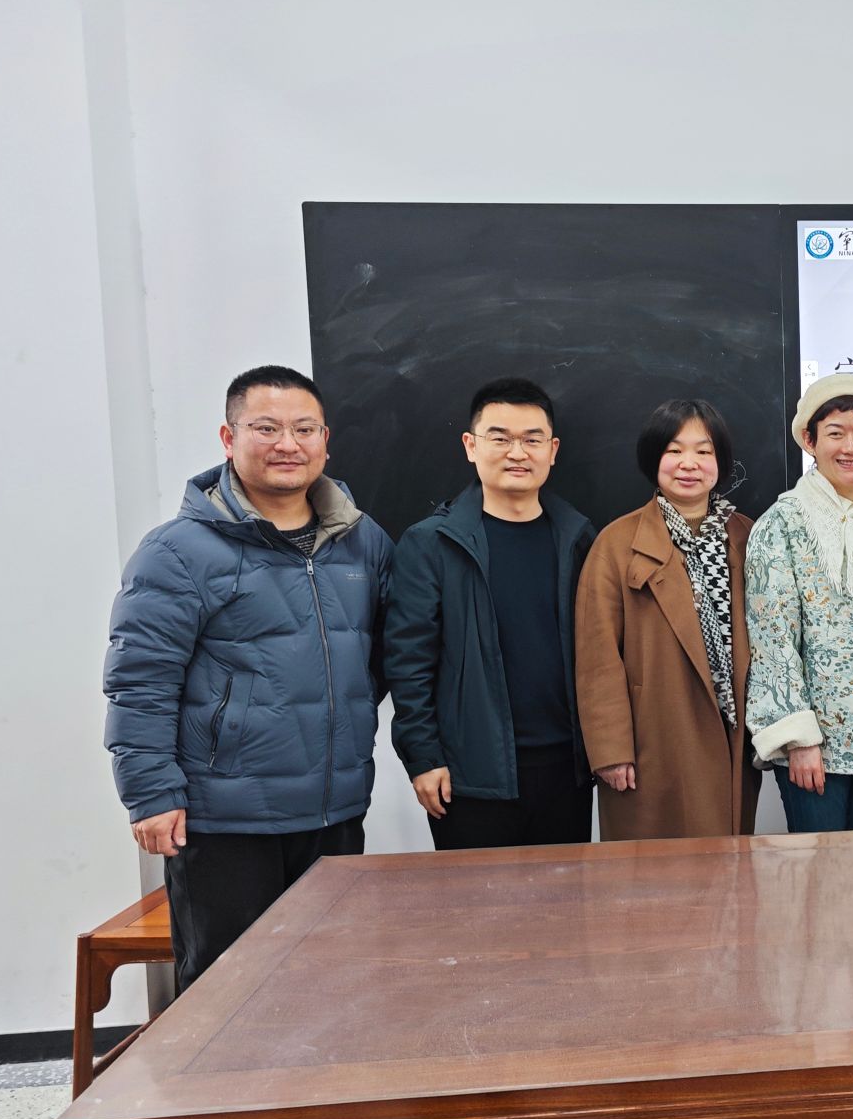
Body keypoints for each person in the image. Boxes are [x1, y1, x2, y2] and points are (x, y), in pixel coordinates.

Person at [104, 365, 394, 990]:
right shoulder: (178, 552)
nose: (287, 443)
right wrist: (151, 793)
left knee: (331, 985)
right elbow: (140, 681)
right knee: (227, 994)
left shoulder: (362, 541)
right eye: (266, 428)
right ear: (228, 437)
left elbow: (379, 659)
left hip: (334, 809)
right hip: (225, 818)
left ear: (324, 440)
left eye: (304, 429)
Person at [381, 377, 598, 849]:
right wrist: (423, 758)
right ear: (471, 446)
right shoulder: (431, 544)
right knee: (475, 899)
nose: (517, 453)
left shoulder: (579, 539)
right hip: (469, 775)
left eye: (532, 440)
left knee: (564, 896)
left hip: (567, 769)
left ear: (552, 451)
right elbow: (408, 663)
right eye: (500, 438)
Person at [576, 400, 759, 839]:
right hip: (652, 740)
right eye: (674, 451)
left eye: (703, 451)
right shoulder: (617, 543)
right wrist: (610, 750)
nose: (688, 464)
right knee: (652, 871)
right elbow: (597, 658)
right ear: (653, 458)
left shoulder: (747, 535)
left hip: (732, 735)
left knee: (727, 867)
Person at [745, 374, 853, 832]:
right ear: (810, 441)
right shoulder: (781, 523)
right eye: (835, 433)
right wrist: (798, 739)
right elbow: (773, 640)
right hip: (815, 748)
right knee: (819, 870)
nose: (851, 446)